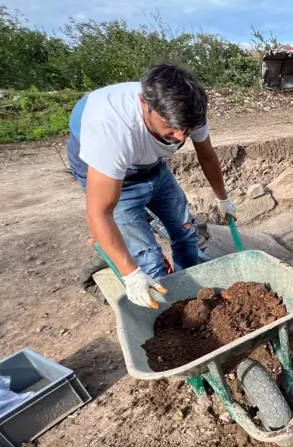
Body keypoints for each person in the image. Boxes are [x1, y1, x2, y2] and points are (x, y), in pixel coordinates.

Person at [67, 63, 237, 309]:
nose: (180, 137)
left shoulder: (190, 111)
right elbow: (99, 212)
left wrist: (223, 199)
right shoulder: (112, 131)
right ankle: (170, 312)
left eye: (186, 130)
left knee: (186, 232)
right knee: (148, 259)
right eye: (170, 126)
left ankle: (193, 296)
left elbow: (207, 156)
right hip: (108, 169)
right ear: (144, 103)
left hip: (151, 164)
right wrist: (131, 274)